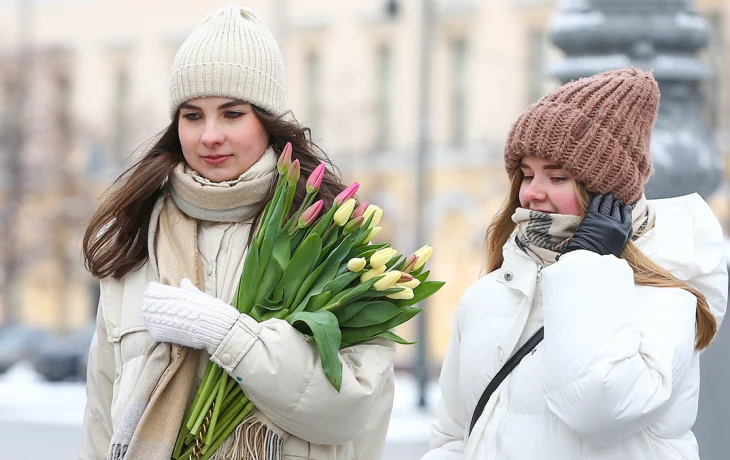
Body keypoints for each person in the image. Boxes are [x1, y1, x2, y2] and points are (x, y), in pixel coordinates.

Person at [78, 5, 394, 460]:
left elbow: (349, 413)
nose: (210, 136)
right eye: (192, 115)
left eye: (231, 114)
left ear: (266, 121)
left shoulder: (331, 242)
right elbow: (100, 418)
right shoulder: (137, 243)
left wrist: (230, 336)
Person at [422, 68, 728, 459]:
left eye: (557, 177)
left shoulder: (666, 291)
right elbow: (453, 438)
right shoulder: (486, 296)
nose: (532, 193)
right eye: (527, 174)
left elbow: (601, 408)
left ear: (607, 195)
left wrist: (586, 264)